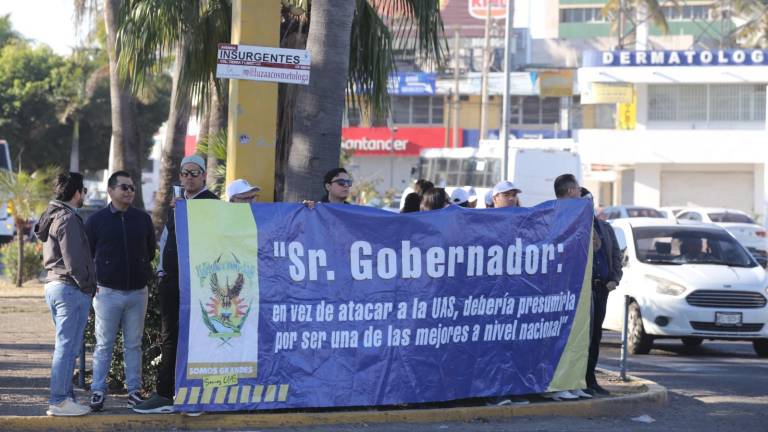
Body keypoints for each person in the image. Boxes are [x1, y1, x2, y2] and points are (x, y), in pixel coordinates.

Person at [134, 155, 219, 414]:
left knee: (198, 337)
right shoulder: (180, 204)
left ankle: (195, 395)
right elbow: (169, 241)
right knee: (171, 336)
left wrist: (183, 211)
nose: (189, 177)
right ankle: (165, 393)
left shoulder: (211, 203)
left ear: (204, 176)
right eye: (185, 173)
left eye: (194, 173)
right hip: (172, 282)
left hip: (199, 283)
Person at [84, 171, 156, 411]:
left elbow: (150, 251)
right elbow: (87, 254)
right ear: (110, 190)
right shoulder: (96, 221)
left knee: (133, 345)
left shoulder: (143, 219)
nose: (129, 192)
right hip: (107, 294)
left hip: (138, 292)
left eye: (132, 188)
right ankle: (97, 391)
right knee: (104, 345)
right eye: (124, 187)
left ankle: (134, 392)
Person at [34, 172, 96, 416]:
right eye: (84, 191)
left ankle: (66, 398)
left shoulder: (52, 215)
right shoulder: (68, 218)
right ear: (77, 192)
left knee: (66, 346)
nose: (84, 196)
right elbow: (75, 260)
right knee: (67, 347)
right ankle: (59, 400)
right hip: (70, 288)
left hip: (55, 285)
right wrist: (88, 286)